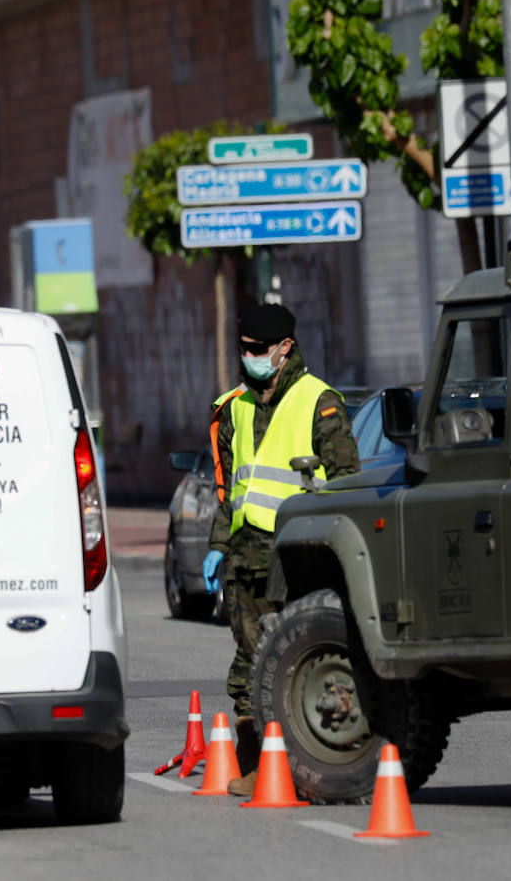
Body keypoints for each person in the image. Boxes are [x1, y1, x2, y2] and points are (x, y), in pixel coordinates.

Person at [201, 303, 360, 795]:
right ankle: (259, 771)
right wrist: (218, 546)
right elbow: (231, 490)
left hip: (301, 558)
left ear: (285, 348)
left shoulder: (320, 403)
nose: (247, 358)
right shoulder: (234, 408)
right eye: (242, 349)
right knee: (249, 665)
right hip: (248, 560)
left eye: (257, 350)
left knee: (300, 660)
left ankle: (321, 760)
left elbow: (348, 485)